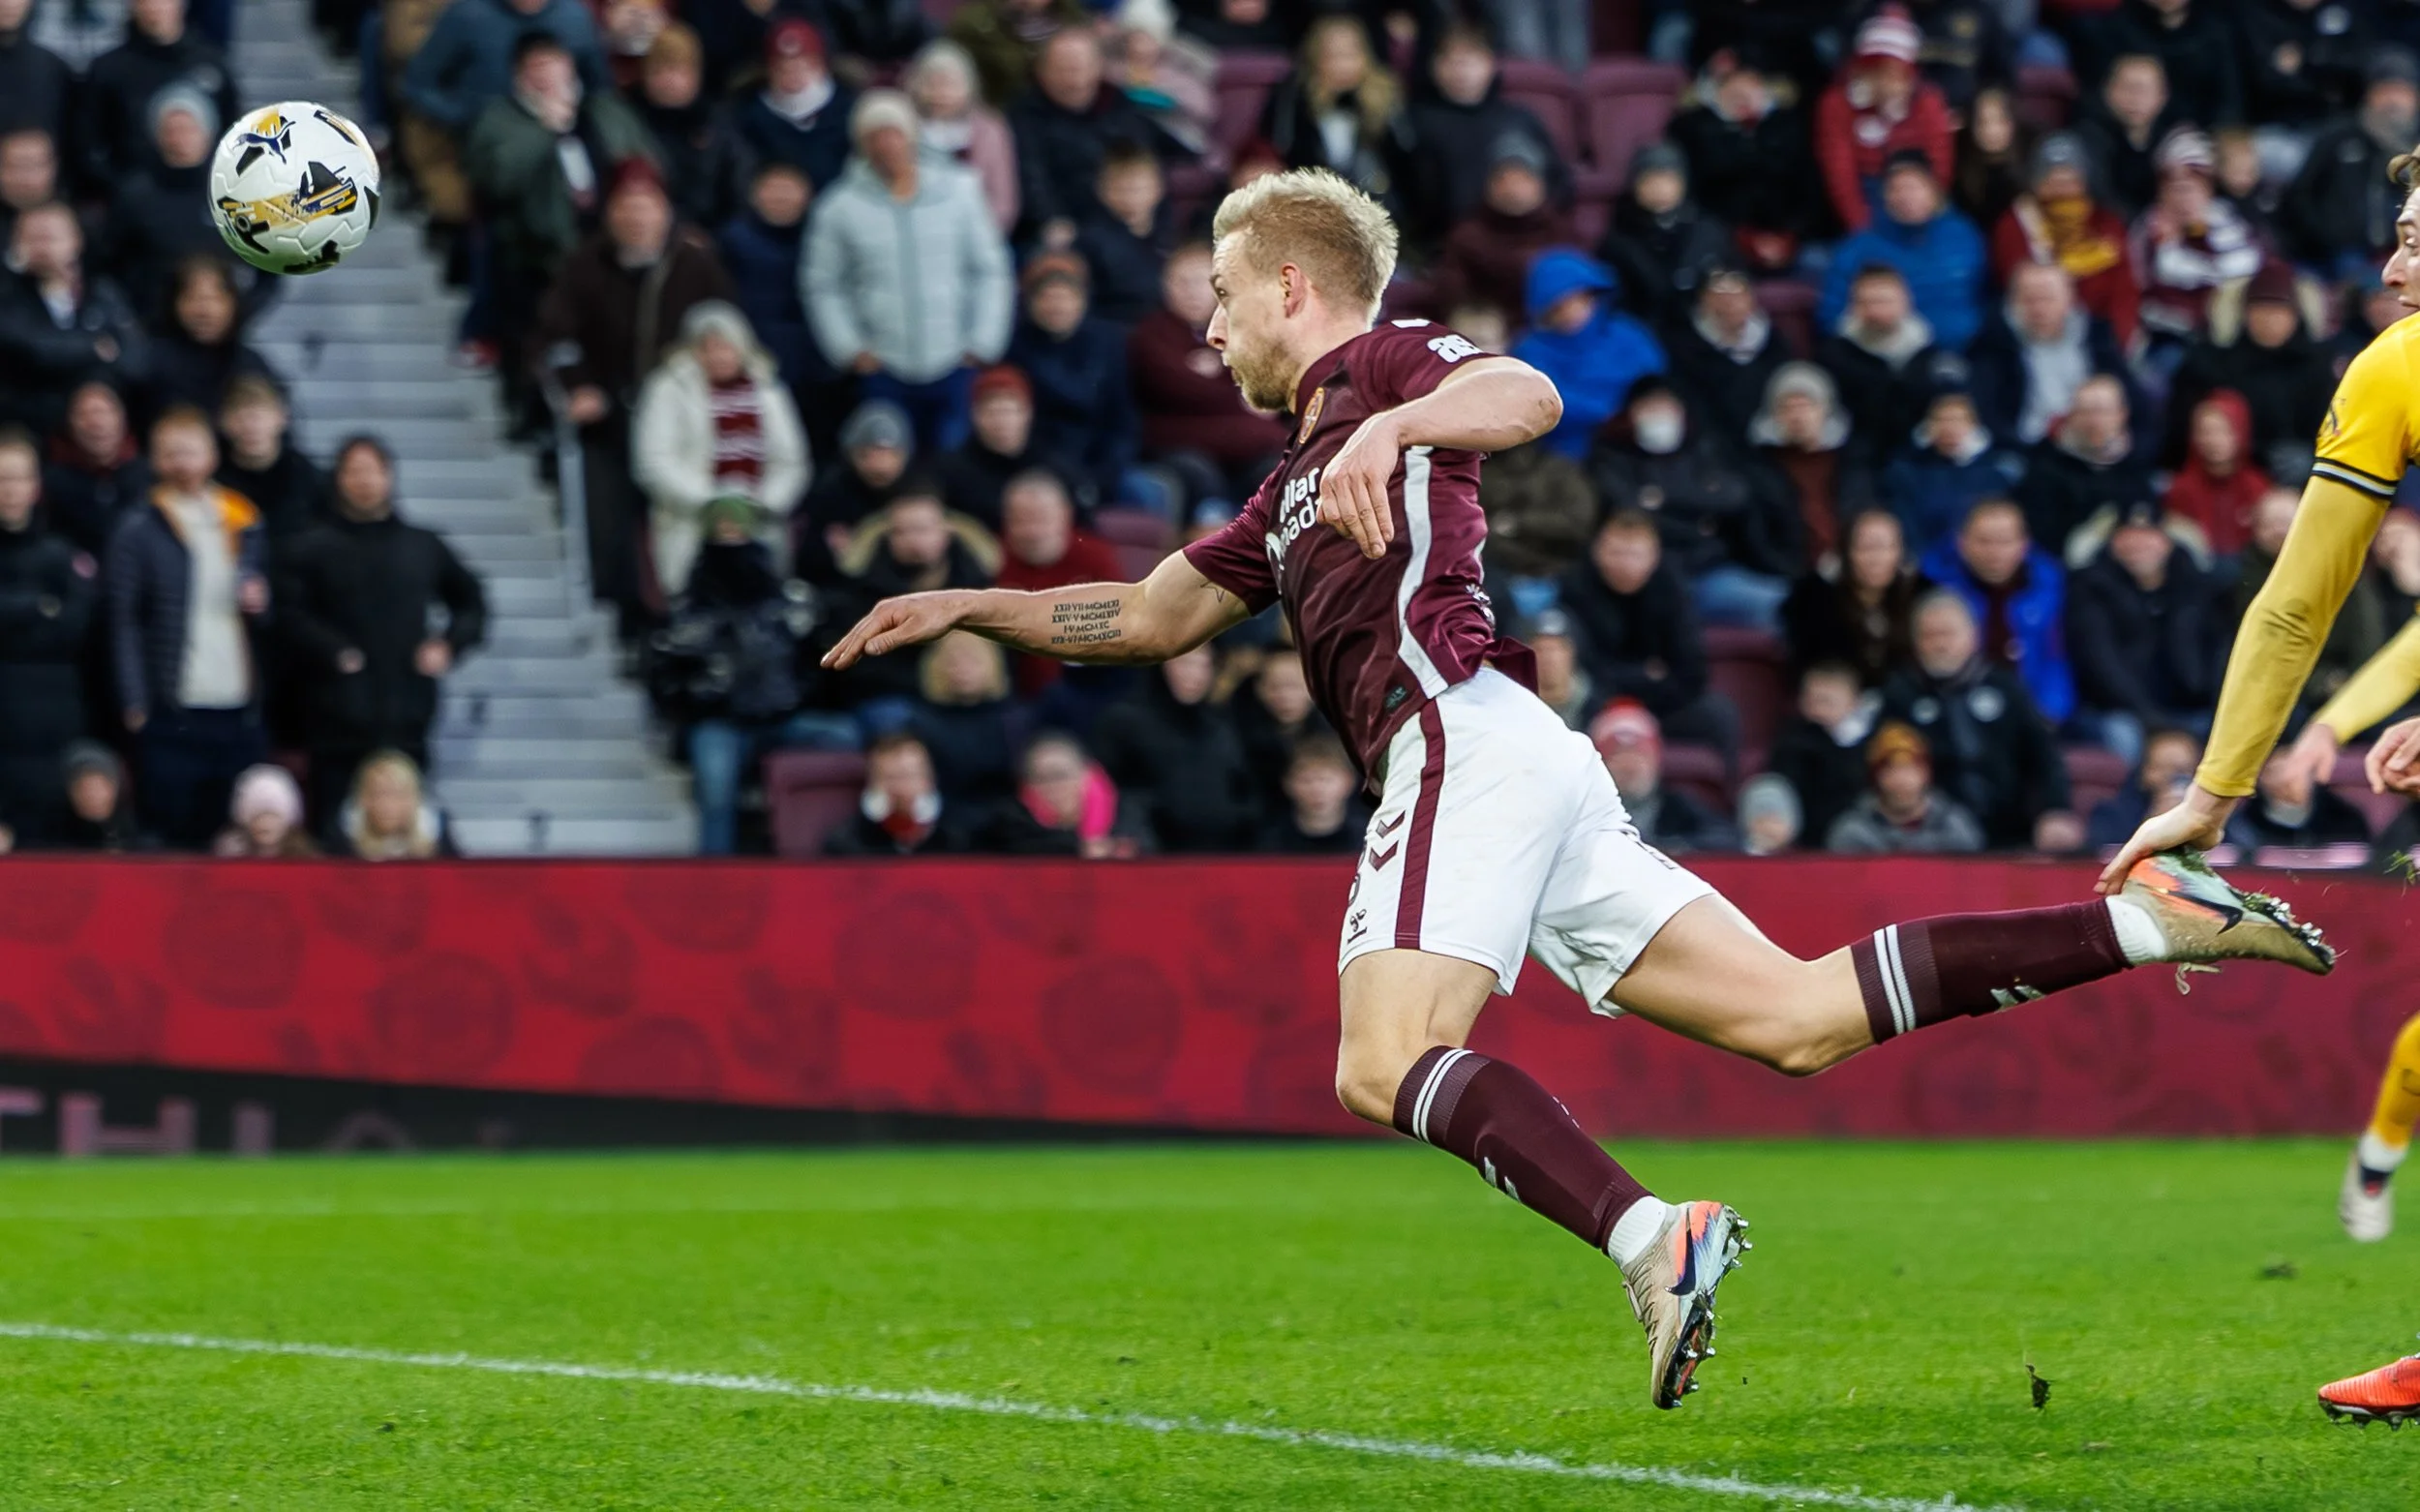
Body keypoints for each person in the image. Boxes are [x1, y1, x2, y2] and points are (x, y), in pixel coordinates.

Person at [822, 165, 2330, 1412]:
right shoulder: (1289, 485)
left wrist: (1408, 421)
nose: (1207, 328)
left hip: (1462, 738)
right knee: (1796, 1020)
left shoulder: (1385, 364)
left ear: (1292, 283)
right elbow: (1149, 617)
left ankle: (1649, 1236)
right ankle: (2145, 922)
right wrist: (969, 603)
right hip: (1523, 763)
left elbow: (1528, 395)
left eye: (1219, 295)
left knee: (1378, 1059)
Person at [276, 435, 487, 829]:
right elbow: (288, 615)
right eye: (353, 471)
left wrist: (449, 644)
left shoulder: (421, 545)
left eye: (372, 471)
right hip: (333, 726)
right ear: (338, 479)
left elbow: (472, 602)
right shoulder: (310, 548)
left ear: (389, 477)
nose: (364, 481)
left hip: (407, 720)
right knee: (334, 835)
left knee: (408, 838)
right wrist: (331, 650)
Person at [805, 89, 1013, 456]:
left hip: (955, 362)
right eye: (875, 136)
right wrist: (850, 348)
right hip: (883, 367)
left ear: (911, 135)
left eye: (894, 133)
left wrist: (982, 342)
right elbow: (822, 284)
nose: (887, 145)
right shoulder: (839, 206)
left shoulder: (960, 191)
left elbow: (990, 270)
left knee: (954, 465)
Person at [106, 408, 269, 849]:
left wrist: (259, 600)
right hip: (172, 704)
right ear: (156, 460)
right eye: (170, 453)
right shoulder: (139, 526)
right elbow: (123, 619)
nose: (182, 462)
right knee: (171, 831)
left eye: (190, 450)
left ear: (212, 454)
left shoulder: (242, 518)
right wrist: (134, 697)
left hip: (236, 703)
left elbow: (267, 610)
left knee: (231, 834)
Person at [463, 30, 658, 313]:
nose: (546, 77)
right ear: (518, 75)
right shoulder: (498, 120)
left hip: (611, 247)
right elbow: (498, 180)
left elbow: (646, 165)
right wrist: (545, 130)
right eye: (535, 67)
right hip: (532, 262)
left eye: (553, 63)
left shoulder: (606, 110)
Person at [1588, 378, 1798, 633]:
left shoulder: (1704, 447)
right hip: (1644, 581)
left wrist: (1659, 499)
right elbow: (1628, 510)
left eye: (1667, 406)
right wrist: (1699, 520)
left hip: (1708, 573)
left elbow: (1734, 496)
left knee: (1779, 602)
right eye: (1650, 407)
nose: (1660, 415)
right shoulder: (1611, 455)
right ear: (1631, 413)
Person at [631, 301, 810, 599]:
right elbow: (653, 461)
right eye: (708, 348)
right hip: (690, 520)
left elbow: (792, 461)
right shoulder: (667, 388)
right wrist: (715, 501)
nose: (718, 356)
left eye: (726, 346)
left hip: (758, 520)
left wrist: (759, 503)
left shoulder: (768, 388)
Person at [1881, 589, 2072, 848]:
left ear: (1972, 636)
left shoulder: (2004, 685)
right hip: (1933, 835)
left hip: (2012, 829)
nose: (1939, 644)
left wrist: (2054, 809)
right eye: (1929, 636)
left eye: (1948, 634)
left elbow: (2044, 756)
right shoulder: (1900, 694)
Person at [1128, 242, 1286, 509]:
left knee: (1278, 467)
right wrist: (1238, 389)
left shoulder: (1244, 328)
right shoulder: (1150, 333)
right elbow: (1174, 387)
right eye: (1182, 282)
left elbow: (1273, 382)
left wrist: (1219, 371)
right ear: (1165, 285)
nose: (1192, 292)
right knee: (1200, 475)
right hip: (1182, 448)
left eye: (1201, 282)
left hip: (1248, 449)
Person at [2065, 501, 2223, 765]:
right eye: (2128, 536)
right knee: (2123, 737)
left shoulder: (2195, 584)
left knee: (2223, 733)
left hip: (2191, 707)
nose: (2138, 545)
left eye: (2148, 536)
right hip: (2121, 711)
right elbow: (2101, 665)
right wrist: (2153, 720)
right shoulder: (2091, 587)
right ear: (2113, 542)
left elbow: (2215, 652)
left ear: (2166, 541)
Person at [1400, 21, 1569, 250]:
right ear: (1433, 67)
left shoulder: (1519, 118)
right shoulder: (1415, 122)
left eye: (1469, 61)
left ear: (1491, 63)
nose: (1460, 71)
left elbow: (1560, 181)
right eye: (1450, 61)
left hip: (1530, 238)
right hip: (1452, 247)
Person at [2223, 485, 2386, 718]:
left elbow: (2368, 632)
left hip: (2350, 684)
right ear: (2255, 530)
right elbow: (2264, 652)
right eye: (2269, 523)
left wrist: (2355, 685)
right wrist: (2321, 683)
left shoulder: (2341, 566)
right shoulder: (2241, 579)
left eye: (2286, 521)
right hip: (2280, 693)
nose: (2278, 530)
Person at [2165, 259, 2338, 475]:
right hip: (2228, 473)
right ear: (2244, 314)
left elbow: (2338, 432)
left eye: (2278, 310)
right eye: (2260, 310)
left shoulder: (2320, 366)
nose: (2268, 320)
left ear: (2296, 315)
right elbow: (2180, 434)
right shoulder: (2210, 365)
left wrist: (2312, 457)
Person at [0, 430, 88, 842]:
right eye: (1, 478)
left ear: (35, 486)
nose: (9, 489)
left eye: (18, 478)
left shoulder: (60, 553)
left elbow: (76, 626)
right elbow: (53, 616)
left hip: (55, 717)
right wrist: (38, 607)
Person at [1921, 497, 2075, 728]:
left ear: (2024, 545)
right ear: (1961, 543)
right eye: (1984, 541)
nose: (1995, 552)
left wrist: (2048, 714)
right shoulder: (1936, 588)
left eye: (2005, 541)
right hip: (1961, 717)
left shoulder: (2049, 587)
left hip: (2039, 715)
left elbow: (2057, 659)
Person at [0, 201, 147, 438]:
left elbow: (136, 361)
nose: (42, 247)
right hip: (27, 426)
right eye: (32, 237)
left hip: (96, 425)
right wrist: (94, 348)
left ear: (76, 240)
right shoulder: (7, 295)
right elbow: (30, 350)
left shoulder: (102, 292)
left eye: (50, 237)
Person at [1090, 642, 1256, 851]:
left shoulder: (1223, 727)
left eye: (1204, 665)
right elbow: (1102, 791)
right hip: (1150, 858)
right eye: (1186, 663)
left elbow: (1243, 790)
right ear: (1161, 665)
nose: (1194, 675)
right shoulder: (1123, 722)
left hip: (1220, 856)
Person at [1667, 51, 1823, 274]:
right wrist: (1741, 238)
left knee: (1819, 263)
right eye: (1730, 84)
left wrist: (1790, 235)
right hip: (1722, 238)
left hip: (1790, 239)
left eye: (1749, 82)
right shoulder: (1690, 127)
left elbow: (1810, 189)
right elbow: (1692, 195)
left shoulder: (1790, 124)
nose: (1741, 92)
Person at [1816, 150, 1985, 353]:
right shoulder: (1857, 250)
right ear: (1884, 195)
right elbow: (1831, 317)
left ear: (1933, 190)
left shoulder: (1964, 235)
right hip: (1886, 358)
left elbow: (1985, 295)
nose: (1906, 196)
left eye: (1915, 187)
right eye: (1896, 188)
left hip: (1964, 353)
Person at [1007, 251, 1140, 508]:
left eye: (1065, 298)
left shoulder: (1107, 343)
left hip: (1100, 461)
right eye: (1047, 297)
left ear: (1082, 300)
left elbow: (1122, 418)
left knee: (1148, 494)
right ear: (1031, 303)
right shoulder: (1017, 348)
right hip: (1041, 463)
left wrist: (1105, 473)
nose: (1056, 306)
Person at [1508, 251, 1666, 461]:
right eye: (1558, 306)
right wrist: (1608, 412)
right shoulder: (1529, 351)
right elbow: (1549, 404)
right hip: (1571, 454)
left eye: (1577, 300)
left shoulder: (1626, 332)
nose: (1570, 312)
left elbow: (1653, 379)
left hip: (1640, 438)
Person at [1011, 26, 1161, 247]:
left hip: (1120, 221)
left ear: (1099, 67)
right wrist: (1051, 220)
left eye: (1080, 68)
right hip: (1059, 231)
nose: (1075, 80)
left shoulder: (1120, 106)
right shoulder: (1023, 117)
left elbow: (1142, 163)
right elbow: (1031, 180)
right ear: (1042, 72)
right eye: (1064, 70)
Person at [1989, 133, 2142, 348]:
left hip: (2102, 343)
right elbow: (2019, 293)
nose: (2061, 190)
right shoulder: (2015, 225)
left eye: (2069, 180)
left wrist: (2113, 348)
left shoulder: (2106, 226)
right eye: (2052, 180)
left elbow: (2125, 295)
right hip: (2036, 341)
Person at [1814, 9, 1953, 236]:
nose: (1887, 82)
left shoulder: (1928, 102)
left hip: (1917, 194)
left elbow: (1939, 166)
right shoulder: (1837, 103)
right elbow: (1839, 173)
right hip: (1865, 197)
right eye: (1877, 71)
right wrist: (1861, 226)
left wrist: (1923, 209)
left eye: (1896, 74)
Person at [2281, 49, 2419, 278]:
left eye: (2402, 91)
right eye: (2385, 90)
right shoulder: (2338, 137)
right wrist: (2327, 238)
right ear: (2369, 95)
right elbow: (2299, 196)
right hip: (2343, 257)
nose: (2393, 100)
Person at [1256, 15, 1409, 217]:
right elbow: (1283, 149)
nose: (1343, 66)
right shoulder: (1294, 97)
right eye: (1333, 57)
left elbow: (1405, 158)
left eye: (1351, 56)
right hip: (1311, 202)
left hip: (1377, 205)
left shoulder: (1384, 95)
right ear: (1315, 59)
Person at [1965, 262, 2129, 449]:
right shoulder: (1994, 344)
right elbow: (1987, 414)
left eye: (2047, 299)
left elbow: (2130, 401)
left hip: (2091, 445)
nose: (2039, 309)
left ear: (2069, 300)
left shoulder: (2097, 339)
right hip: (2024, 449)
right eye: (2029, 300)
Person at [79, 0, 240, 189]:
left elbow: (232, 136)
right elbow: (88, 145)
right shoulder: (108, 70)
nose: (154, 7)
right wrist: (126, 191)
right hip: (129, 203)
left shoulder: (213, 64)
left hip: (202, 196)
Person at [2130, 129, 2262, 351]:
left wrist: (2203, 241)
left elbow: (2248, 263)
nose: (2184, 197)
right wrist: (2170, 245)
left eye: (2192, 187)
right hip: (2170, 335)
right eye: (2176, 188)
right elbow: (2162, 274)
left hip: (2231, 331)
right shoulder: (2149, 228)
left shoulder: (2224, 216)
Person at [1429, 136, 1575, 334]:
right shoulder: (1466, 238)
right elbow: (1452, 296)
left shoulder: (1561, 233)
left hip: (1551, 331)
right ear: (1488, 185)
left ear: (1540, 185)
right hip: (1490, 336)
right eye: (1503, 178)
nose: (1513, 188)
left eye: (1523, 178)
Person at [1881, 368, 2027, 557]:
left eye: (1957, 419)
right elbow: (1907, 529)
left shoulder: (1994, 474)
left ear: (1973, 424)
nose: (1949, 427)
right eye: (1942, 419)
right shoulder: (1905, 471)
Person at [1748, 362, 1877, 573]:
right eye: (1787, 408)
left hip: (1852, 565)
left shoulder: (1851, 461)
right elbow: (1757, 537)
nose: (1797, 417)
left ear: (1825, 410)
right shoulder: (1761, 467)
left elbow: (1864, 511)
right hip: (1791, 571)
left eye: (1805, 406)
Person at [1779, 506, 1929, 685]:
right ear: (1846, 552)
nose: (1876, 559)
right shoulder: (1812, 600)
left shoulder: (1919, 593)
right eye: (1866, 548)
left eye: (1887, 547)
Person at [2015, 372, 2154, 558]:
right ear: (2071, 416)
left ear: (2122, 415)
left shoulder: (2135, 462)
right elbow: (2044, 537)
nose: (2094, 421)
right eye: (2085, 412)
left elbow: (2148, 515)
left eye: (2103, 411)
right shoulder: (2045, 465)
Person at [1597, 143, 1731, 329]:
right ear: (1635, 185)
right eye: (1650, 180)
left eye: (1668, 179)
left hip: (1702, 331)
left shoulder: (1707, 230)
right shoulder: (1618, 240)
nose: (1660, 188)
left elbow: (1731, 277)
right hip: (1644, 331)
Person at [1815, 263, 1944, 455]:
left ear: (1905, 301)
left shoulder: (1931, 353)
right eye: (1867, 302)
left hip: (1921, 459)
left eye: (1884, 301)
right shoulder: (1834, 355)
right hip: (1855, 458)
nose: (1876, 311)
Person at [1659, 262, 1787, 455]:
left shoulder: (1774, 343)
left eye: (1737, 294)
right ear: (1704, 300)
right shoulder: (1684, 349)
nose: (1729, 303)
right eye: (1720, 295)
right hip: (1711, 450)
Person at [631, 23, 741, 232]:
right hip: (647, 232)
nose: (668, 80)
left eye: (677, 70)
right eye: (658, 70)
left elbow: (738, 188)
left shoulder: (717, 120)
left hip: (712, 234)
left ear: (696, 75)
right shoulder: (629, 119)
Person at [905, 39, 1018, 236]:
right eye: (931, 84)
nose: (940, 94)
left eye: (949, 84)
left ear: (968, 87)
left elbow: (1003, 200)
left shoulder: (990, 129)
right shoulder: (905, 127)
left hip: (979, 233)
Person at [1591, 699, 1737, 853]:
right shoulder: (1586, 811)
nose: (1629, 766)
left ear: (1656, 761)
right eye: (1618, 756)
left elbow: (1726, 839)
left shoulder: (1677, 807)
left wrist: (1673, 849)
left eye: (1639, 755)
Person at [145, 255, 277, 422]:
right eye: (193, 298)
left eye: (214, 299)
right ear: (175, 304)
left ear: (233, 304)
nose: (204, 311)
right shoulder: (151, 366)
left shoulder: (250, 366)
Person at [974, 730, 1146, 857]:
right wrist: (1079, 848)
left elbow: (1145, 845)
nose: (1052, 786)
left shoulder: (1126, 810)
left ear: (1086, 774)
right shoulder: (1013, 817)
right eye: (1040, 778)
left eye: (1060, 775)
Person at [731, 18, 856, 192]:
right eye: (782, 68)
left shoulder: (849, 109)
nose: (793, 76)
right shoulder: (750, 116)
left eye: (803, 66)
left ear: (821, 65)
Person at [1824, 718, 1984, 853]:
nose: (1901, 780)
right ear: (1875, 778)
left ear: (1926, 774)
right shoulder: (1853, 831)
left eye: (1910, 769)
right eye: (1891, 770)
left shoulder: (1955, 825)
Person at [1767, 660, 1880, 845]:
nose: (1818, 710)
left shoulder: (1871, 745)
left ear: (1853, 703)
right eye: (1812, 701)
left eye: (1827, 702)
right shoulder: (1793, 744)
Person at [909, 630, 1023, 804]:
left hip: (1009, 814)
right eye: (953, 662)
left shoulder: (1014, 718)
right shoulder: (922, 722)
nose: (962, 669)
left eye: (972, 661)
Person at [44, 379, 151, 557]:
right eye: (84, 414)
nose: (96, 423)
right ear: (70, 424)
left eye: (104, 412)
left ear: (122, 419)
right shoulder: (54, 482)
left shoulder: (146, 475)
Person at [215, 377, 326, 548]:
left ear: (282, 418)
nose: (250, 427)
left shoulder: (312, 481)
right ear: (224, 422)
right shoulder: (212, 485)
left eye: (258, 416)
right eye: (241, 417)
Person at [1075, 141, 1172, 327]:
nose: (1131, 197)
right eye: (1121, 189)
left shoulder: (1172, 232)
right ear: (1102, 191)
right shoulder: (1091, 240)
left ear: (1158, 188)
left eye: (1138, 188)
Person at [2161, 389, 2267, 558]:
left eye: (2224, 431)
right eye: (2206, 432)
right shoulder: (2180, 489)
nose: (2214, 440)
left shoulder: (2257, 486)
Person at [823, 732, 967, 857]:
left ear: (929, 780)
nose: (900, 788)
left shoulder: (957, 842)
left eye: (909, 776)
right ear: (872, 784)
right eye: (890, 778)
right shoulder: (846, 844)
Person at [2071, 52, 2174, 220]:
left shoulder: (2173, 141)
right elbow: (2100, 198)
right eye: (2127, 88)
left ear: (2162, 96)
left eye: (2144, 90)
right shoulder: (2087, 140)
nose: (2135, 98)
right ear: (2108, 92)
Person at [2085, 724, 2203, 850]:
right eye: (2162, 768)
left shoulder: (2213, 814)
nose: (2171, 778)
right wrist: (2154, 822)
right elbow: (2104, 857)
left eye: (2181, 771)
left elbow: (2222, 853)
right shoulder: (2111, 813)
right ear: (2144, 771)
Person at [1258, 732, 1362, 854]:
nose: (1317, 790)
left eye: (1326, 780)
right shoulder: (1269, 842)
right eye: (1306, 780)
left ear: (1348, 782)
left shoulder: (1370, 838)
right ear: (1288, 784)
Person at [338, 748, 450, 859]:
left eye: (398, 794)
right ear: (362, 799)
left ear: (415, 798)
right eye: (378, 794)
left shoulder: (440, 842)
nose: (387, 806)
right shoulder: (341, 843)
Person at [211, 763, 317, 858]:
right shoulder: (228, 855)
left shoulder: (306, 859)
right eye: (258, 815)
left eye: (274, 815)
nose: (266, 823)